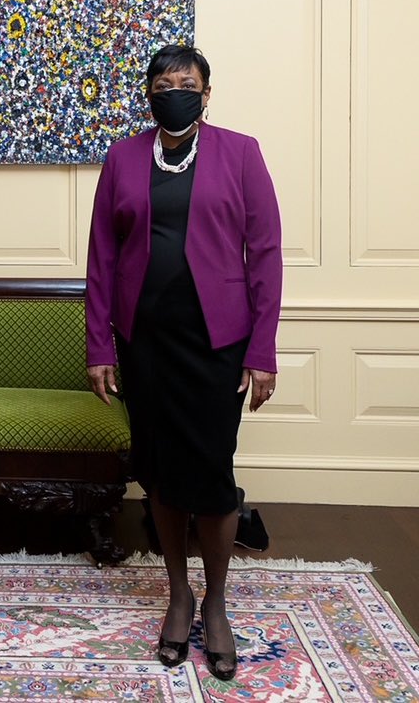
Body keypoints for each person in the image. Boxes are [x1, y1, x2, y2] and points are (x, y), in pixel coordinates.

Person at [85, 45, 282, 682]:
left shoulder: (242, 153)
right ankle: (179, 593)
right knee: (162, 474)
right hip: (146, 343)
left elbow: (268, 254)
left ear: (206, 93)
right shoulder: (122, 158)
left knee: (212, 475)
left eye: (187, 83)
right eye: (164, 83)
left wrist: (262, 349)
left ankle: (217, 601)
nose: (176, 91)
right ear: (149, 92)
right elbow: (102, 260)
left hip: (218, 344)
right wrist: (100, 346)